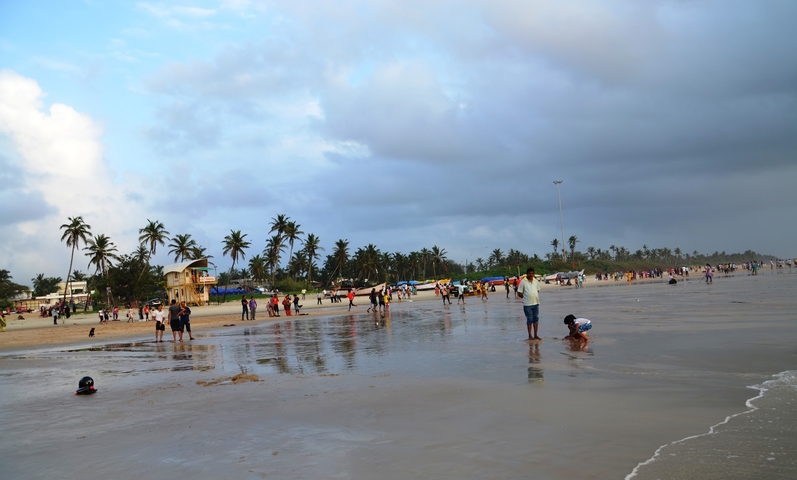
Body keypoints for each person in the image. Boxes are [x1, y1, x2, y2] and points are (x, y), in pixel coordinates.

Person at [517, 267, 541, 340]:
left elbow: (538, 290)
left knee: (536, 319)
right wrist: (525, 296)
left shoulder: (536, 281)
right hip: (527, 304)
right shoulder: (523, 282)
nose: (531, 275)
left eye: (532, 273)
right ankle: (530, 335)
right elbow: (519, 292)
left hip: (536, 303)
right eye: (529, 273)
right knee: (529, 319)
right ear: (527, 274)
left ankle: (536, 335)